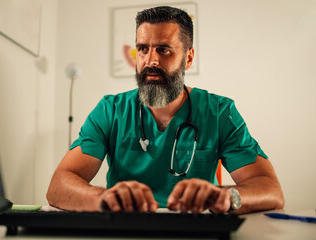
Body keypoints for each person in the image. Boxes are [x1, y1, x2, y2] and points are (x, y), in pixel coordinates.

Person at [47, 6, 284, 214]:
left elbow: (271, 190)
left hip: (194, 229)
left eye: (164, 50)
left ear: (188, 58)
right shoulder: (110, 111)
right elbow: (59, 185)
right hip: (125, 228)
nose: (151, 61)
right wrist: (102, 199)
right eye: (142, 49)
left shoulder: (219, 112)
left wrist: (227, 197)